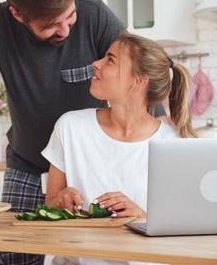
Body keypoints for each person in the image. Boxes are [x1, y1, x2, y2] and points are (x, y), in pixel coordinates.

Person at [0, 0, 165, 265]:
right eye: (51, 26)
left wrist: (165, 141)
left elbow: (138, 75)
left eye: (69, 17)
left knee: (104, 253)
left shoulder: (95, 15)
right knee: (17, 257)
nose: (66, 31)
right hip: (27, 163)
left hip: (87, 164)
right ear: (18, 15)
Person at [41, 33, 196, 265]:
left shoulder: (173, 145)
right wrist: (62, 201)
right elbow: (48, 206)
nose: (96, 63)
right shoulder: (70, 127)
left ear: (139, 81)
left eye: (110, 59)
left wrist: (139, 216)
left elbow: (184, 231)